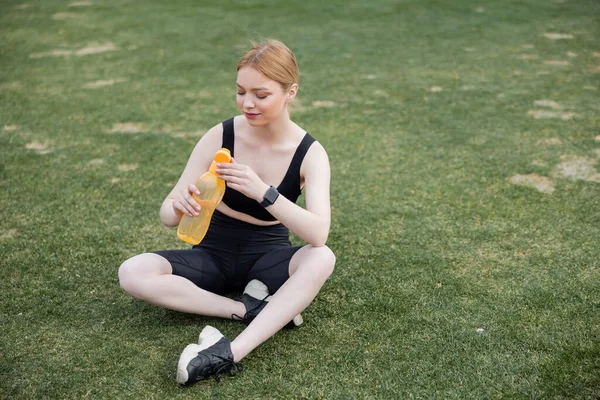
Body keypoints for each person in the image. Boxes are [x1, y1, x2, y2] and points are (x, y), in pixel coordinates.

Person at [118, 39, 335, 384]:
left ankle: (230, 351)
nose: (248, 103)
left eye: (261, 95)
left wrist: (263, 192)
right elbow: (167, 213)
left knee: (323, 258)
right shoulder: (222, 134)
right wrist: (178, 205)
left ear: (290, 91)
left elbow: (318, 234)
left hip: (268, 258)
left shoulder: (310, 153)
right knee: (132, 271)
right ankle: (248, 309)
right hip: (211, 255)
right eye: (240, 92)